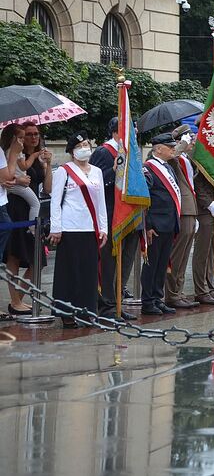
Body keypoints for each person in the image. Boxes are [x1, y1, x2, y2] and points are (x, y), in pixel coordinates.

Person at [49, 130, 108, 328]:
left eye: (87, 146)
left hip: (90, 228)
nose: (84, 149)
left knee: (88, 271)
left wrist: (103, 228)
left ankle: (87, 310)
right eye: (80, 147)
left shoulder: (97, 172)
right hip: (70, 227)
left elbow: (101, 204)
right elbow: (55, 202)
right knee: (70, 271)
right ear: (72, 151)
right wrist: (56, 228)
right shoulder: (64, 171)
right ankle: (67, 312)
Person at [92, 117, 139, 320]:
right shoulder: (104, 152)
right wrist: (113, 172)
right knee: (109, 262)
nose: (135, 135)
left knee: (125, 260)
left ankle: (117, 301)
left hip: (127, 213)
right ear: (116, 132)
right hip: (110, 213)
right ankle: (106, 305)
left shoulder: (130, 153)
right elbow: (96, 181)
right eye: (131, 131)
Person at [2, 123, 47, 316]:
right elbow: (7, 177)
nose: (32, 138)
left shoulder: (34, 157)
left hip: (31, 211)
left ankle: (18, 299)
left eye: (36, 134)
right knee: (14, 255)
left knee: (37, 261)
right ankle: (15, 301)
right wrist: (18, 179)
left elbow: (48, 187)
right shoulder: (12, 153)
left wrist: (46, 165)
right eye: (27, 135)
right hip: (16, 207)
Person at [139, 133, 181, 315]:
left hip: (169, 223)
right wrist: (147, 225)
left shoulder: (169, 167)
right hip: (155, 225)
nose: (173, 149)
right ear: (157, 149)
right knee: (151, 264)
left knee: (163, 264)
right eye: (169, 146)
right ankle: (148, 302)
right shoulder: (148, 168)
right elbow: (145, 199)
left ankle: (158, 298)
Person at [163, 125, 201, 309]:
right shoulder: (174, 157)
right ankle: (171, 294)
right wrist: (180, 144)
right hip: (182, 210)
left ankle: (178, 291)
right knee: (177, 255)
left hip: (191, 208)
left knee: (184, 254)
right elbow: (168, 157)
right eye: (189, 138)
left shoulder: (185, 158)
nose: (192, 141)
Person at [192, 166, 214, 305]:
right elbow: (196, 182)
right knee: (202, 252)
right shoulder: (200, 155)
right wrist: (208, 203)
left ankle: (209, 286)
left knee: (213, 251)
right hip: (205, 209)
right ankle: (200, 290)